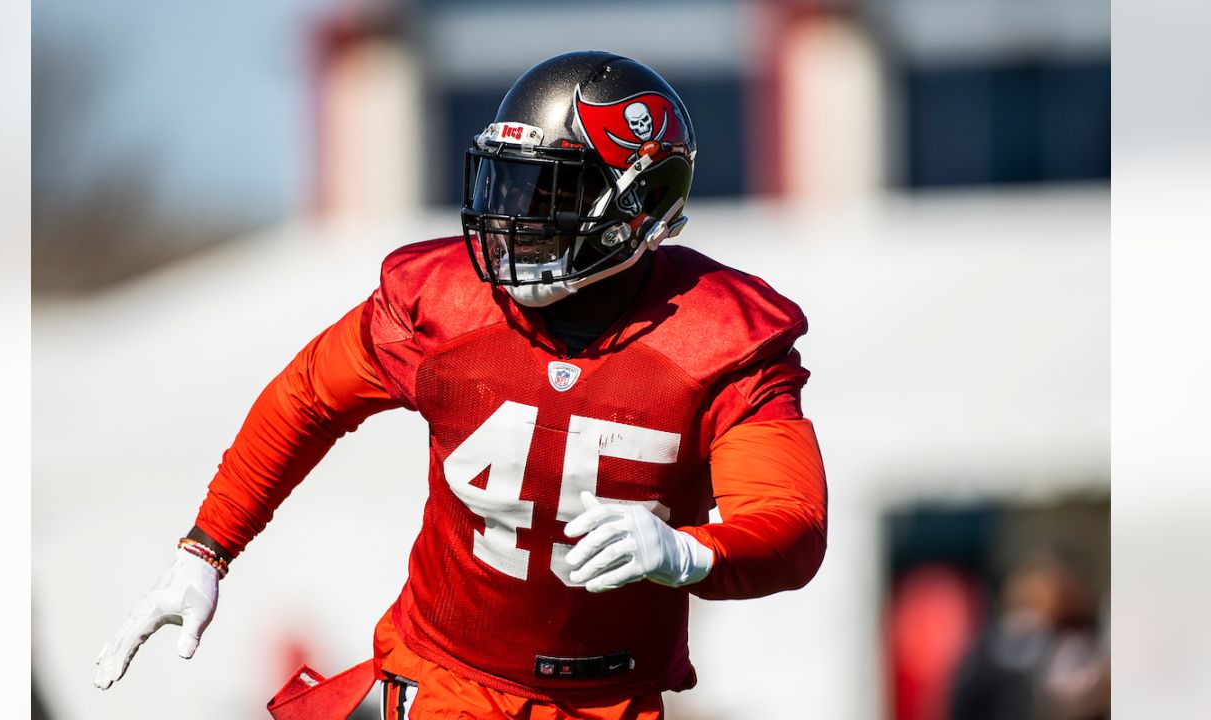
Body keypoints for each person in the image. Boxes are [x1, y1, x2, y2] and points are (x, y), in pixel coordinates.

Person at [94, 51, 829, 719]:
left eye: (549, 195)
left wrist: (689, 552)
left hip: (608, 705)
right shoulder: (440, 301)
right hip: (443, 682)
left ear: (636, 206)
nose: (512, 220)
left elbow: (789, 524)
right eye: (508, 185)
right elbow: (306, 399)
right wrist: (206, 549)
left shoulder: (723, 338)